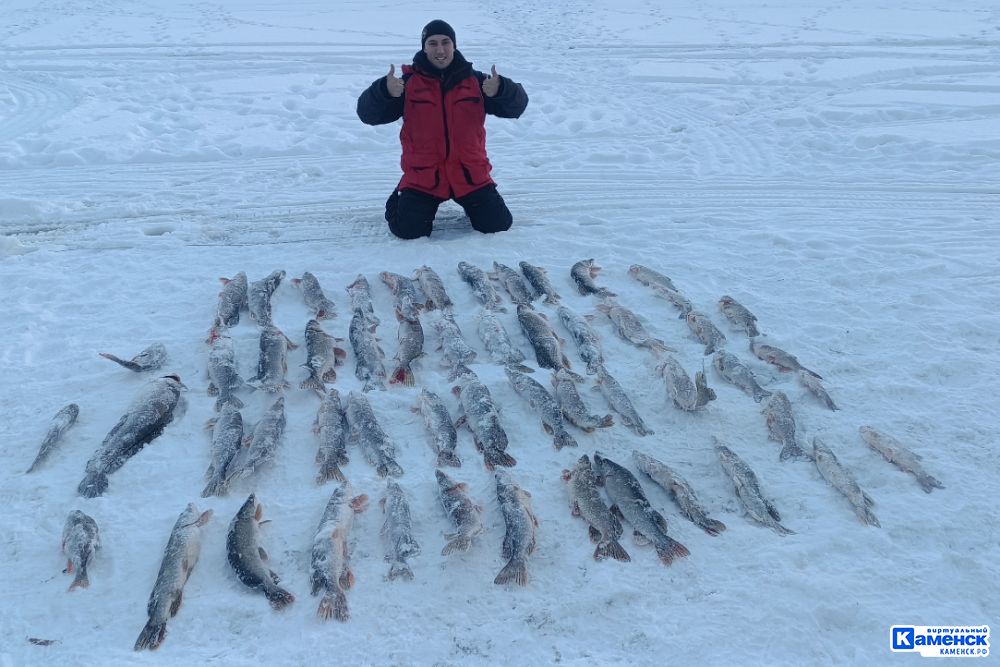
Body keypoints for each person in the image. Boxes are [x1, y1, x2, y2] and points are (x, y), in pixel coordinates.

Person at [357, 19, 529, 239]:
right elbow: (367, 115)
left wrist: (503, 88)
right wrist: (383, 91)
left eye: (445, 42)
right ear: (424, 47)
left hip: (469, 175)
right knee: (407, 231)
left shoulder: (478, 82)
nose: (440, 49)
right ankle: (400, 196)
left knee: (498, 225)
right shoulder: (406, 85)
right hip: (424, 177)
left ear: (454, 45)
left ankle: (471, 204)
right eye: (433, 43)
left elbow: (518, 107)